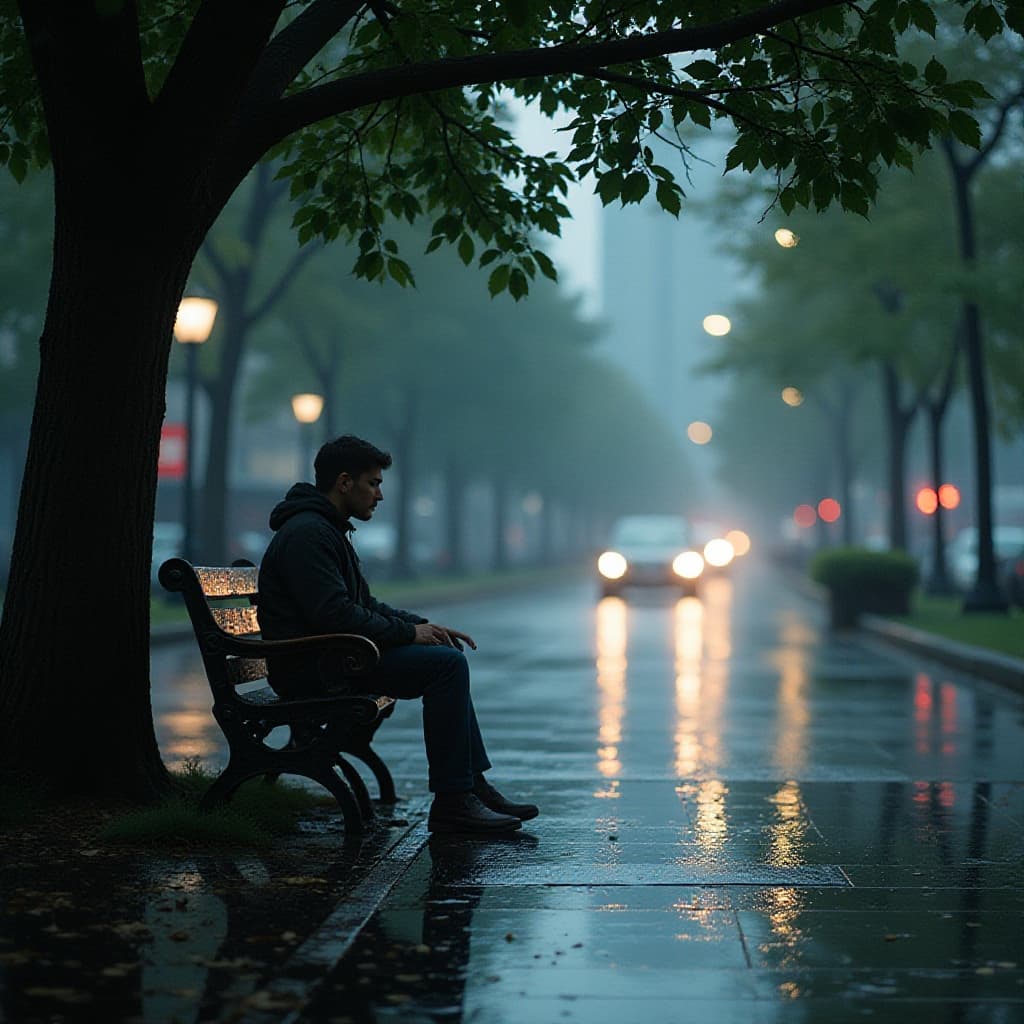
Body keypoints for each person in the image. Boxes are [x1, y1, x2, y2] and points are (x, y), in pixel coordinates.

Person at [256, 434, 538, 835]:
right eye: (373, 483)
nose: (380, 495)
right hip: (314, 669)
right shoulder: (308, 534)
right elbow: (334, 614)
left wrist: (423, 627)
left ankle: (469, 787)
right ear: (343, 482)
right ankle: (455, 799)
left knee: (445, 659)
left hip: (331, 658)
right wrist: (409, 634)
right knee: (445, 667)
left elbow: (364, 606)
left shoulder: (326, 530)